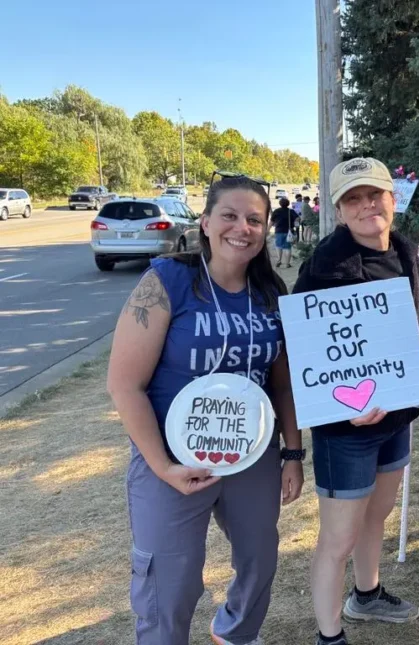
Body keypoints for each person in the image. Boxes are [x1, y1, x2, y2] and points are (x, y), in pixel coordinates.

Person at [107, 175, 304, 645]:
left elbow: (283, 382)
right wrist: (163, 467)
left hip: (252, 451)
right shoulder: (168, 281)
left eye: (255, 219)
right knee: (172, 581)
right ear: (207, 222)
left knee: (260, 557)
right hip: (172, 455)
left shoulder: (270, 293)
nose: (243, 228)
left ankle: (236, 633)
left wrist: (293, 453)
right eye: (231, 216)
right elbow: (124, 385)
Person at [291, 157, 419, 645]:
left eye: (374, 194)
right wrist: (342, 403)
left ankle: (367, 594)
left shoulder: (403, 251)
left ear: (393, 198)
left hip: (396, 416)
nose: (366, 205)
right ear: (337, 210)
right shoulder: (324, 268)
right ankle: (329, 636)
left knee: (378, 513)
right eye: (353, 198)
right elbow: (303, 348)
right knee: (338, 538)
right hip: (345, 430)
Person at [271, 197, 295, 268]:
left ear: (280, 203)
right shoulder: (290, 211)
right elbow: (298, 218)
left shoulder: (276, 211)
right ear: (288, 203)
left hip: (278, 231)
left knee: (279, 246)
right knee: (288, 248)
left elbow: (271, 222)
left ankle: (279, 261)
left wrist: (267, 230)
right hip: (289, 232)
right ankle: (287, 264)